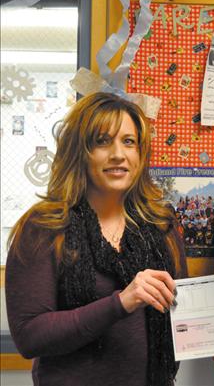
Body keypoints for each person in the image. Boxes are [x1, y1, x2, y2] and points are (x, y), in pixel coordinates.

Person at [5, 92, 187, 386]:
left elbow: (184, 314)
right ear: (79, 152)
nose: (118, 154)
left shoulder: (160, 225)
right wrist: (121, 303)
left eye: (129, 142)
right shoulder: (44, 227)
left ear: (140, 154)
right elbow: (30, 336)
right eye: (102, 141)